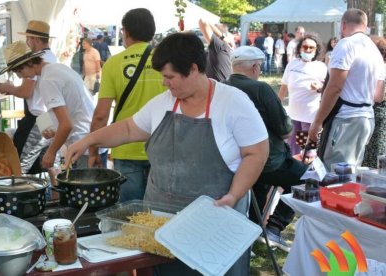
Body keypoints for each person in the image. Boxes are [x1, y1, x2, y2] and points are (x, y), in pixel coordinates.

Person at [65, 32, 269, 275]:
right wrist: (89, 140)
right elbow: (129, 128)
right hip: (163, 224)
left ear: (193, 69)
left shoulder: (233, 102)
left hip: (214, 222)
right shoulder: (163, 103)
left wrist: (234, 195)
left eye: (169, 76)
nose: (165, 83)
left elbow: (257, 153)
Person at [227, 46, 307, 252]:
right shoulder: (260, 89)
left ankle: (253, 232)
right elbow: (285, 130)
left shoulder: (223, 87)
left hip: (237, 161)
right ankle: (274, 227)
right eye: (260, 67)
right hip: (267, 161)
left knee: (259, 187)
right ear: (255, 66)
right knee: (309, 179)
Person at [89, 8, 166, 202]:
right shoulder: (165, 61)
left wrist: (93, 152)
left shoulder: (113, 64)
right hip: (163, 147)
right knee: (162, 214)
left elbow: (101, 115)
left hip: (126, 147)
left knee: (131, 217)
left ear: (125, 31)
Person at [309, 8, 385, 170]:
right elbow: (378, 96)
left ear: (343, 25)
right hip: (366, 119)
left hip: (346, 119)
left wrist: (317, 122)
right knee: (350, 174)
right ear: (365, 26)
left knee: (334, 176)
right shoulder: (374, 51)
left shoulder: (346, 44)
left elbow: (335, 87)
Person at [0, 41, 95, 169]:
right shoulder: (58, 68)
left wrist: (51, 152)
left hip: (81, 143)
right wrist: (53, 127)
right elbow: (70, 110)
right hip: (91, 139)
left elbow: (66, 124)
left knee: (83, 185)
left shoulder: (47, 80)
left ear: (29, 63)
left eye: (19, 70)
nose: (20, 76)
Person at [0, 20, 62, 174]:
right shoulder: (51, 57)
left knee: (22, 164)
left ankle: (26, 195)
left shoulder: (34, 61)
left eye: (19, 71)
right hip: (48, 115)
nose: (19, 75)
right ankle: (53, 195)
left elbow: (26, 92)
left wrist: (10, 88)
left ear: (35, 39)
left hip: (39, 118)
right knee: (50, 164)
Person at [278, 33, 327, 156]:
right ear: (300, 48)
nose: (308, 50)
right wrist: (277, 108)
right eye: (305, 47)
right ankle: (296, 175)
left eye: (312, 48)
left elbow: (328, 91)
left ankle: (309, 174)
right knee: (293, 153)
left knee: (308, 154)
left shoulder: (321, 67)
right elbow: (283, 88)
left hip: (310, 118)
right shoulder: (292, 65)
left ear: (317, 50)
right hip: (293, 118)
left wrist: (320, 88)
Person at [363, 36, 386, 168]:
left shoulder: (379, 69)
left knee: (375, 153)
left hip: (377, 114)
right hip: (376, 113)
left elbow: (378, 97)